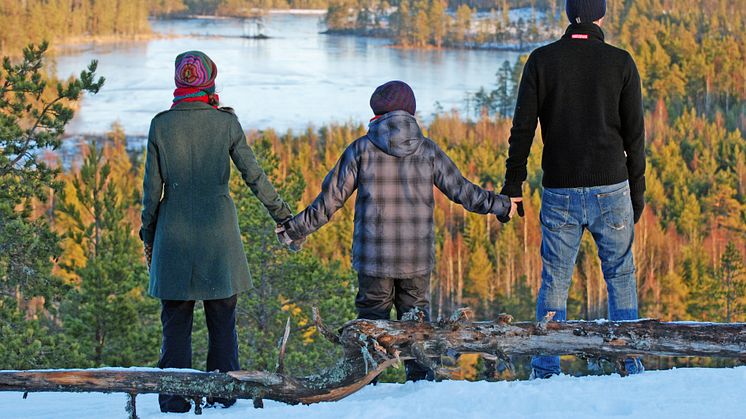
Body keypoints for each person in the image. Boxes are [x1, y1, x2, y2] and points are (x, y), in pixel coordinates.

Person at [276, 80, 516, 382]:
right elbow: (464, 192)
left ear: (377, 114)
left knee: (372, 329)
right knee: (417, 330)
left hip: (373, 261)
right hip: (416, 259)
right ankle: (422, 389)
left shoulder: (361, 149)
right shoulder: (428, 150)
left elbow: (329, 202)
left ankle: (365, 388)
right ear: (411, 114)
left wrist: (293, 230)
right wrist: (502, 206)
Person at [140, 51, 293, 413]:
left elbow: (151, 193)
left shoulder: (160, 124)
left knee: (175, 324)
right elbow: (254, 176)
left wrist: (149, 235)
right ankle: (224, 397)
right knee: (222, 321)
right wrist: (283, 215)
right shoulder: (225, 123)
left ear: (179, 82)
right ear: (209, 79)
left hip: (173, 238)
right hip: (218, 237)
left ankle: (175, 399)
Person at [500, 0, 646, 378]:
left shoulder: (542, 60)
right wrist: (637, 194)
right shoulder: (621, 62)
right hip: (611, 188)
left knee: (555, 278)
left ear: (568, 16)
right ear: (601, 15)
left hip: (560, 189)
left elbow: (522, 129)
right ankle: (627, 361)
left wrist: (513, 184)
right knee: (620, 275)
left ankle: (546, 367)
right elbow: (635, 138)